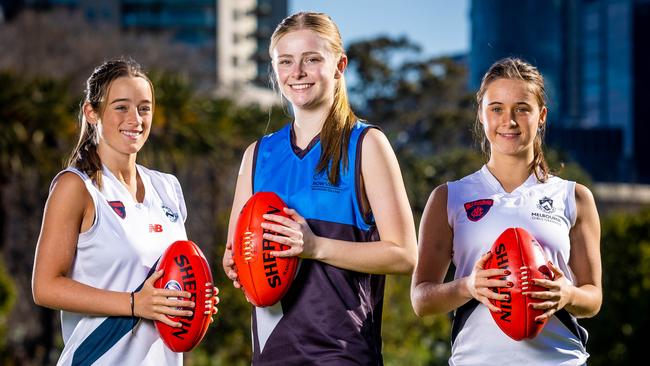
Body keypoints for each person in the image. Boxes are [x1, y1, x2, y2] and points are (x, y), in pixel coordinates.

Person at [221, 11, 417, 365]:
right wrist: (236, 262)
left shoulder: (366, 145)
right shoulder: (258, 155)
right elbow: (237, 248)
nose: (297, 72)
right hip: (271, 356)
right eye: (286, 61)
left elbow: (404, 254)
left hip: (342, 355)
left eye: (311, 59)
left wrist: (314, 246)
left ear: (339, 65)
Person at [411, 57, 602, 365]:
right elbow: (421, 300)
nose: (508, 121)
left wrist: (567, 294)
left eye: (522, 109)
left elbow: (593, 298)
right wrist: (469, 286)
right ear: (481, 115)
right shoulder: (449, 197)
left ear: (541, 116)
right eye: (496, 108)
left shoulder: (574, 197)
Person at [32, 59, 218, 366]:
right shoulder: (77, 187)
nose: (135, 119)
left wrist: (195, 301)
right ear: (92, 113)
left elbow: (169, 279)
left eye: (144, 108)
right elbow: (45, 286)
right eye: (121, 107)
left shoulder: (167, 187)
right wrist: (134, 304)